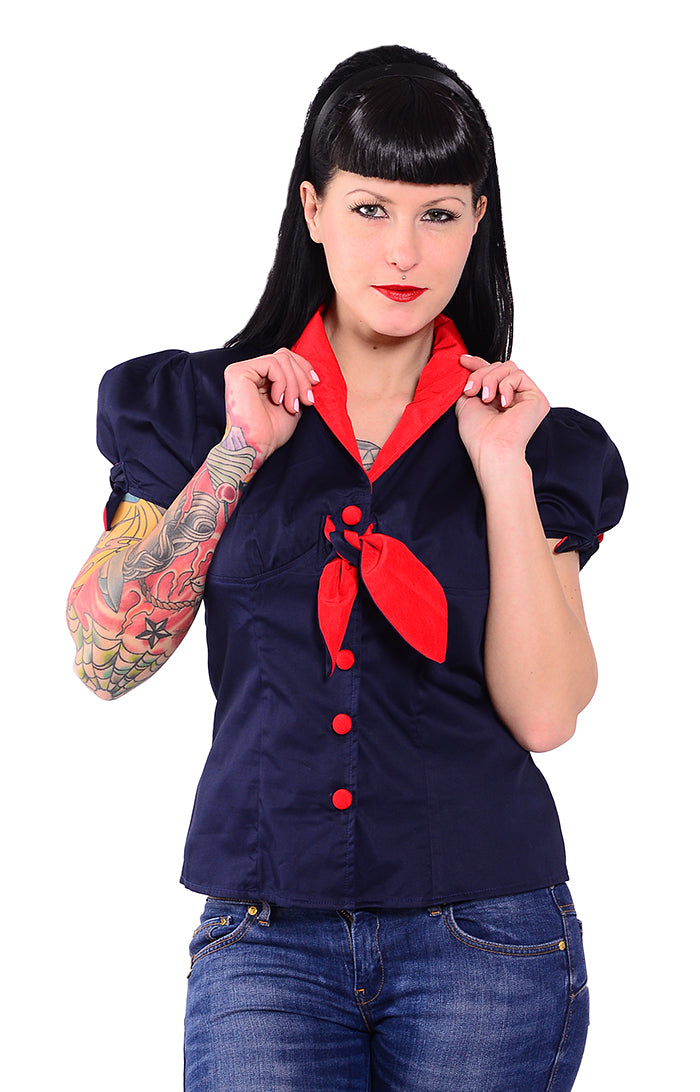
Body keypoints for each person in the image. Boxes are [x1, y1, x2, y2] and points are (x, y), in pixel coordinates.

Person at [67, 43, 627, 1092]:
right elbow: (104, 659)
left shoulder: (539, 444)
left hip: (487, 936)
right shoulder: (194, 407)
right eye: (370, 208)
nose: (404, 250)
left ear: (478, 221)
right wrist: (237, 456)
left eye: (438, 213)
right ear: (313, 209)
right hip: (265, 937)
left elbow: (547, 713)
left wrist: (501, 471)